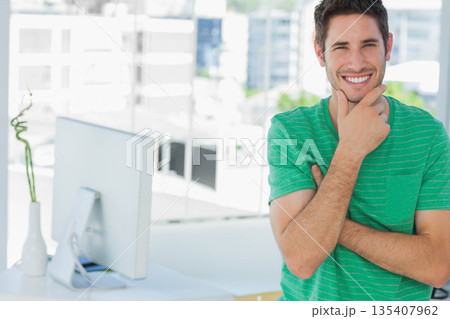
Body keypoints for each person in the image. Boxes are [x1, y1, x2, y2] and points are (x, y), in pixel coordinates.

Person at [267, 0, 450, 301]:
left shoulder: (428, 135)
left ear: (387, 46)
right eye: (341, 47)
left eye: (368, 45)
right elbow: (301, 259)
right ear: (319, 52)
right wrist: (350, 151)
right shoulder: (291, 131)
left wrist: (334, 225)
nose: (356, 63)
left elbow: (437, 266)